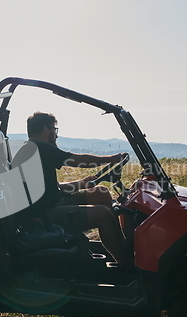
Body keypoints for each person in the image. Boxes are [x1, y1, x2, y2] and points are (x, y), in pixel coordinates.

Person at [12, 112, 131, 268]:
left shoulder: (31, 149)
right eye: (55, 130)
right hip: (45, 215)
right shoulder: (39, 148)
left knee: (101, 192)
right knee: (103, 214)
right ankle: (126, 265)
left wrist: (80, 184)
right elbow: (75, 160)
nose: (56, 135)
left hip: (52, 202)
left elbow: (54, 188)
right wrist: (110, 159)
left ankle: (117, 244)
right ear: (46, 130)